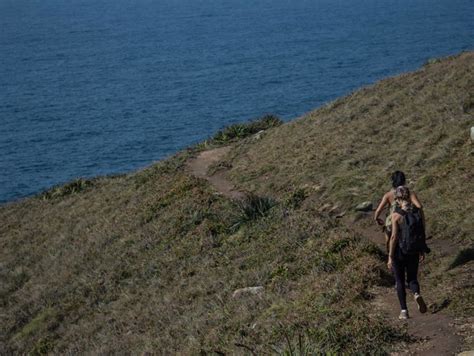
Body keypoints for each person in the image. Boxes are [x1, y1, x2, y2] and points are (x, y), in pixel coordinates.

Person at [387, 186, 429, 320]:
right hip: (414, 250)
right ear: (409, 196)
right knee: (412, 278)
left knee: (399, 280)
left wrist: (390, 256)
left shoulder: (396, 215)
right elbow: (422, 231)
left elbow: (393, 237)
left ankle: (404, 311)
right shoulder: (418, 212)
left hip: (399, 251)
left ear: (398, 199)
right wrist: (421, 249)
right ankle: (416, 294)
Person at [374, 171, 424, 253]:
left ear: (393, 181)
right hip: (408, 220)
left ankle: (390, 255)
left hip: (392, 221)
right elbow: (419, 206)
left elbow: (378, 210)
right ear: (404, 180)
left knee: (389, 238)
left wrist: (376, 218)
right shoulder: (410, 193)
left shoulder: (388, 195)